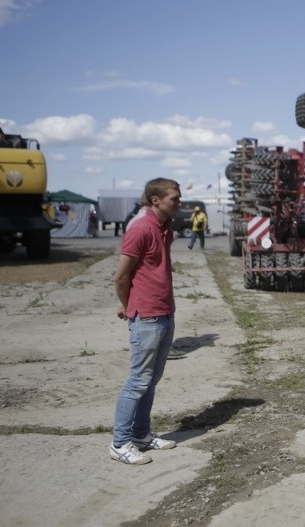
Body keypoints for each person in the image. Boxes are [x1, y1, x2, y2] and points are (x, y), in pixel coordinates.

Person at [110, 177, 181, 465]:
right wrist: (130, 306)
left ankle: (141, 435)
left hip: (165, 312)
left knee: (151, 380)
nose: (179, 203)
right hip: (147, 317)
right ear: (155, 200)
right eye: (174, 199)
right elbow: (120, 276)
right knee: (138, 381)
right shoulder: (140, 228)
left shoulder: (165, 229)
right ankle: (120, 443)